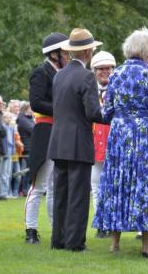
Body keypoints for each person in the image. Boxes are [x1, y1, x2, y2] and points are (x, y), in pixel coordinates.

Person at [92, 27, 148, 258]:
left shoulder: (116, 75)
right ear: (146, 50)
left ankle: (114, 243)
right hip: (145, 135)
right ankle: (145, 247)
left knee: (117, 182)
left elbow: (107, 111)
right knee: (146, 184)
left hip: (120, 135)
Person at [48, 28, 104, 252]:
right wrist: (113, 113)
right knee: (78, 195)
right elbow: (92, 112)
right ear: (88, 51)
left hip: (59, 140)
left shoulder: (59, 75)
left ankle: (58, 240)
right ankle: (75, 242)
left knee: (60, 193)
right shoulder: (87, 76)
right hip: (79, 141)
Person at [24, 32, 69, 244]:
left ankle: (56, 229)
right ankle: (31, 230)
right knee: (39, 185)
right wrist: (62, 109)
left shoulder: (63, 73)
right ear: (54, 54)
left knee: (55, 186)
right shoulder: (41, 73)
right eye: (65, 51)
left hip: (60, 131)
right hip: (45, 131)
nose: (69, 55)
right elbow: (36, 102)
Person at [89, 50, 116, 239]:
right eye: (100, 69)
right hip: (93, 142)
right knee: (96, 186)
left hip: (113, 141)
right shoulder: (89, 89)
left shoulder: (119, 87)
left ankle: (113, 222)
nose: (105, 72)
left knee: (113, 185)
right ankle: (101, 224)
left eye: (108, 68)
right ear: (94, 70)